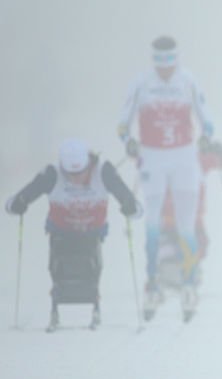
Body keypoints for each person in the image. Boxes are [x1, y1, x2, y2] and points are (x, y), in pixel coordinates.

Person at [117, 36, 214, 322]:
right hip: (153, 158)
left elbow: (206, 117)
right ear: (153, 60)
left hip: (184, 158)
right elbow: (124, 119)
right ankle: (152, 284)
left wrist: (207, 137)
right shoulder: (142, 83)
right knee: (153, 223)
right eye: (159, 62)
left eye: (169, 62)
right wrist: (128, 140)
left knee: (187, 224)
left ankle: (188, 284)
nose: (164, 69)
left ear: (176, 59)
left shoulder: (187, 81)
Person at [5, 139, 139, 331]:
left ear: (88, 164)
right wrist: (19, 203)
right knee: (58, 264)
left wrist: (129, 205)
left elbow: (126, 197)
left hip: (92, 230)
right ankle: (56, 301)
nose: (76, 178)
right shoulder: (52, 173)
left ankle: (95, 300)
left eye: (81, 173)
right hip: (61, 229)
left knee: (90, 263)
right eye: (71, 174)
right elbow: (25, 195)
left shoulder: (103, 171)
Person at [156, 139, 222, 297]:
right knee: (182, 244)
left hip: (188, 217)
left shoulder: (198, 159)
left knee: (196, 243)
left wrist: (216, 149)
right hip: (178, 216)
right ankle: (174, 274)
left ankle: (182, 274)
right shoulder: (191, 159)